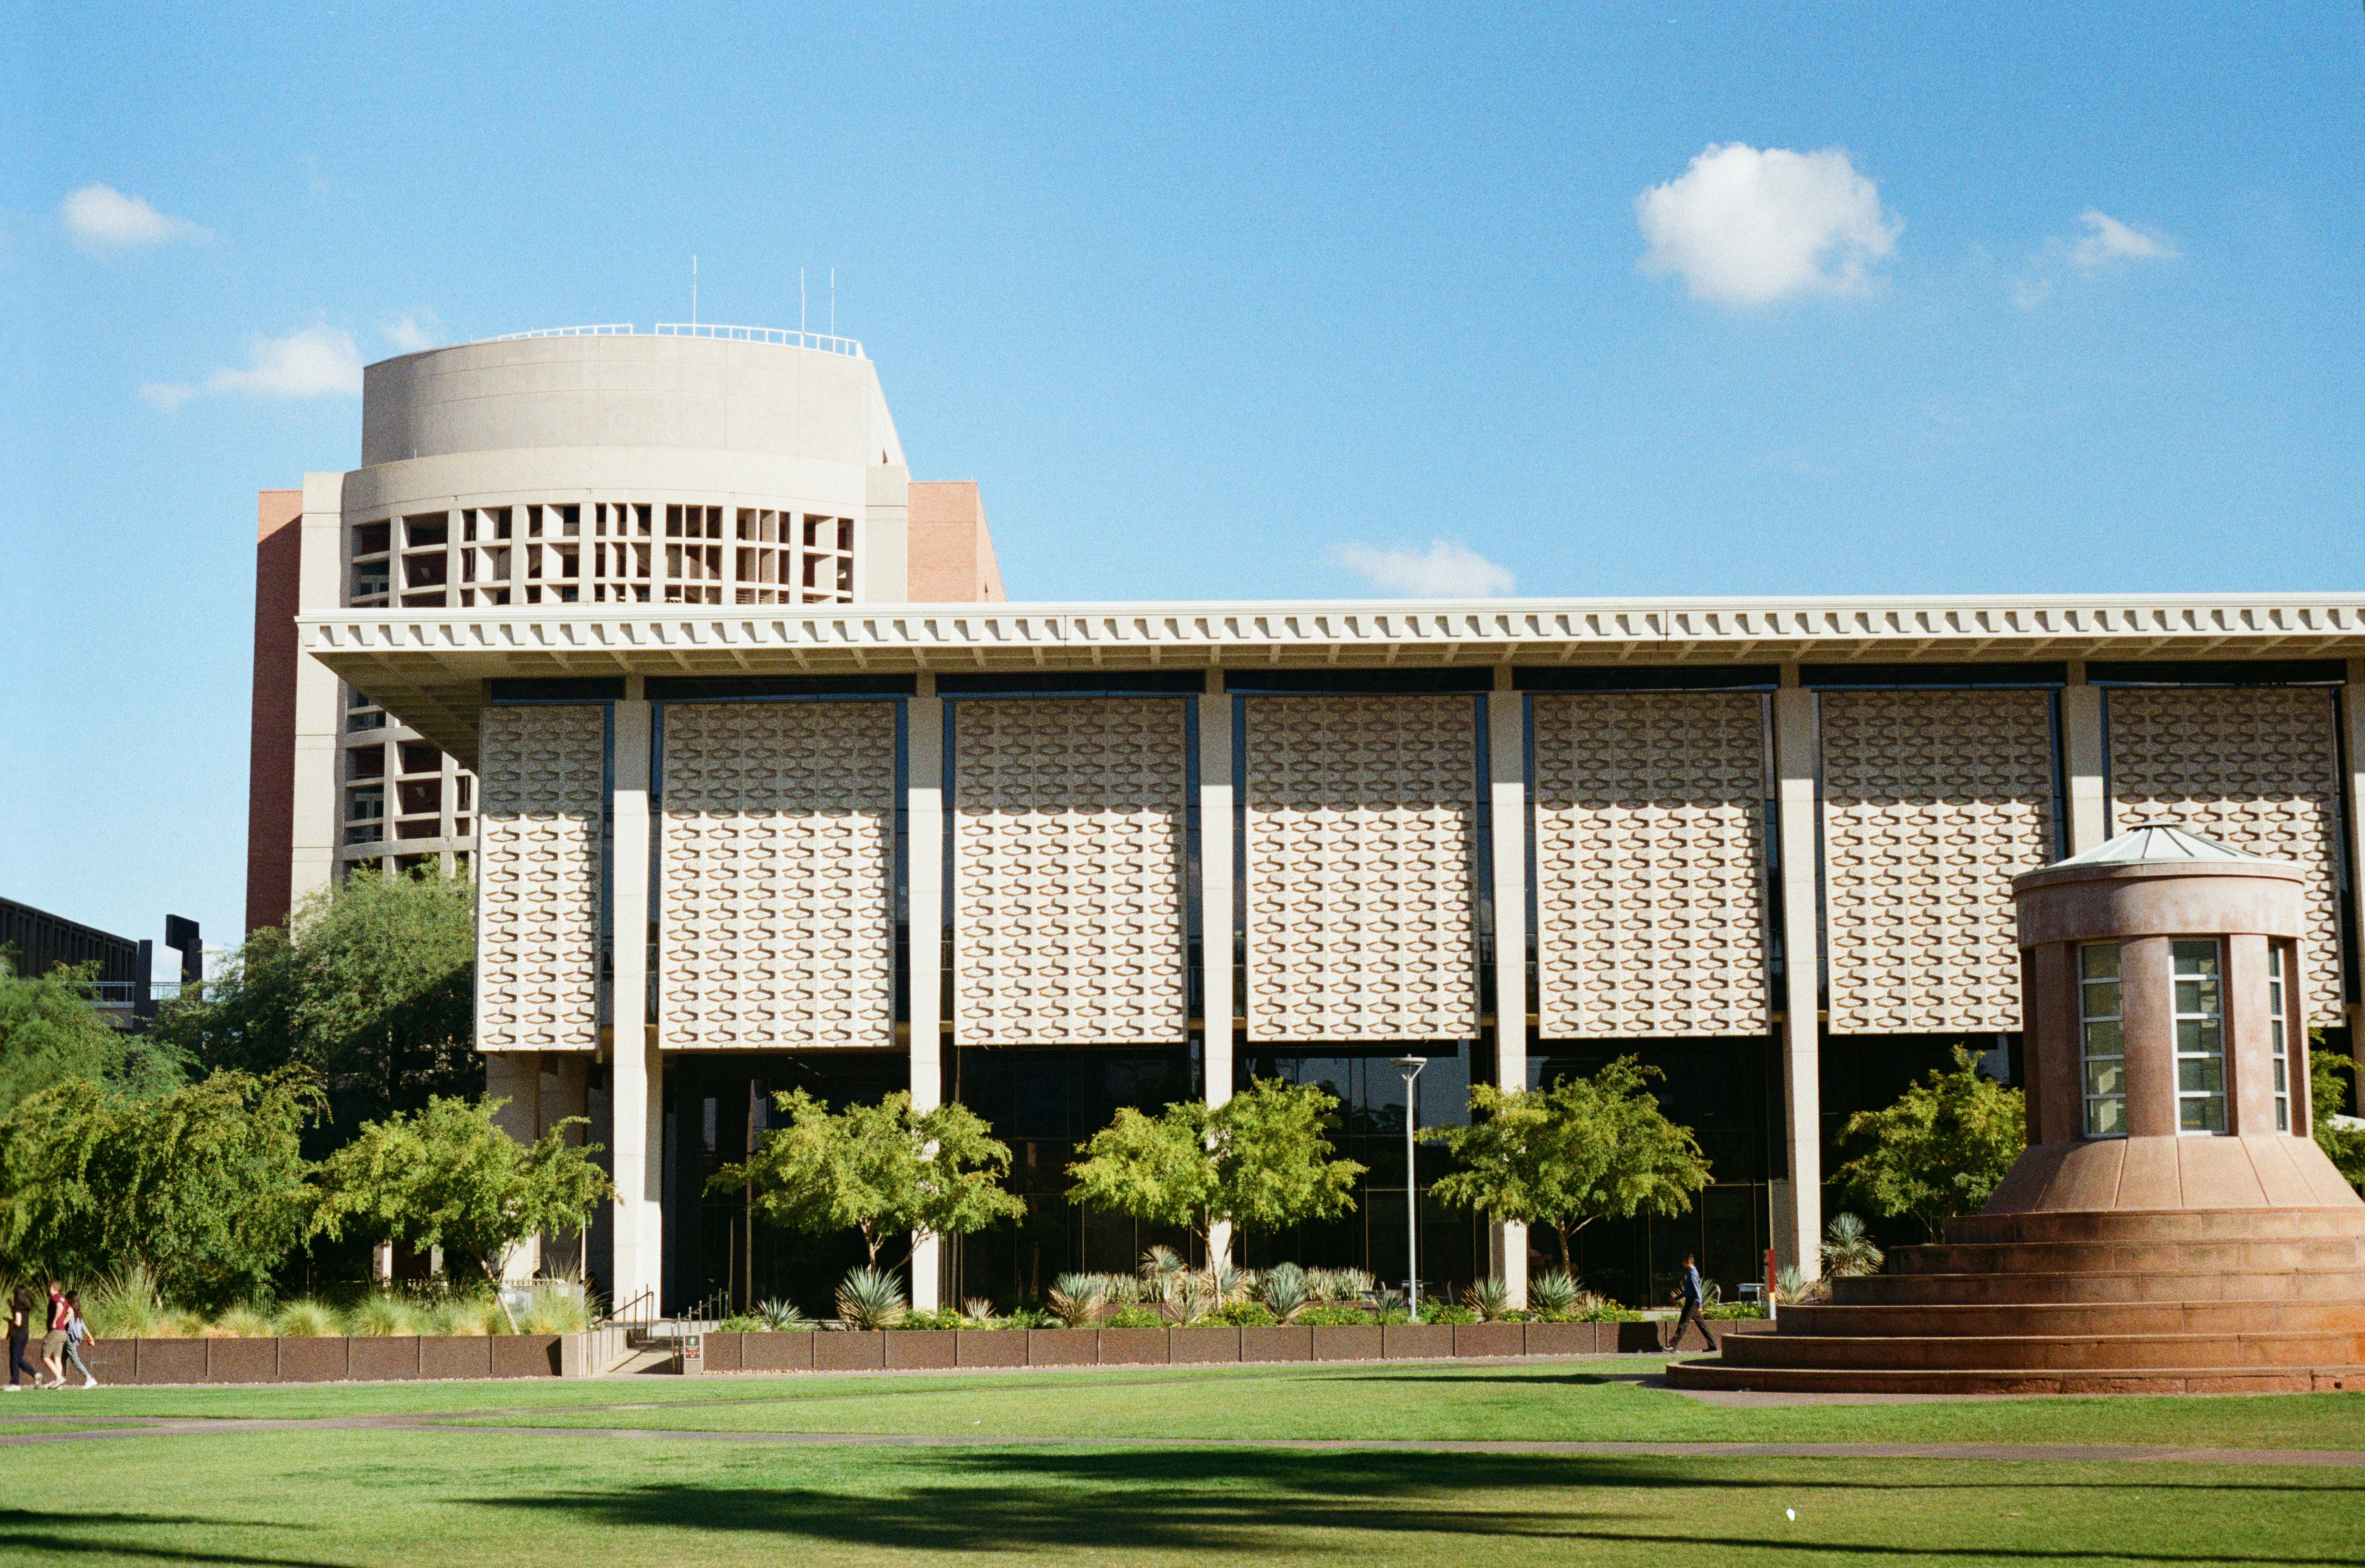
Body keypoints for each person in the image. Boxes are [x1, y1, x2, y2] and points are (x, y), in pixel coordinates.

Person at [1669, 1253, 1712, 1352]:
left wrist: (1699, 1305)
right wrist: (1677, 1298)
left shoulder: (1692, 1274)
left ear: (1688, 1262)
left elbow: (1698, 1290)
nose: (1683, 1264)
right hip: (1691, 1300)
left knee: (1683, 1323)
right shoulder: (1690, 1273)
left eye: (1684, 1262)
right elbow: (1688, 1291)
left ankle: (1673, 1346)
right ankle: (1713, 1346)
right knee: (1702, 1325)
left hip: (1692, 1302)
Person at [38, 1281, 69, 1389]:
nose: (47, 1289)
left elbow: (60, 1307)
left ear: (51, 1288)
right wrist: (64, 1323)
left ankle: (59, 1378)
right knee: (57, 1358)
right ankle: (59, 1383)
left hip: (55, 1332)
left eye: (47, 1287)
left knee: (45, 1356)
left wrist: (55, 1321)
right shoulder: (63, 1298)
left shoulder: (54, 1298)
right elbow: (71, 1311)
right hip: (62, 1333)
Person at [63, 1292, 97, 1389]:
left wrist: (64, 1336)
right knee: (62, 1359)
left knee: (75, 1360)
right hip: (73, 1338)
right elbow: (83, 1325)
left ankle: (89, 1379)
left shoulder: (70, 1311)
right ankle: (59, 1380)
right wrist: (90, 1337)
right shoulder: (77, 1311)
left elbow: (71, 1328)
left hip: (70, 1339)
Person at [4, 1286, 33, 1391]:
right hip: (25, 1334)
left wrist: (9, 1321)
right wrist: (11, 1305)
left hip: (17, 1335)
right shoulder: (26, 1307)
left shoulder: (18, 1307)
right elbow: (20, 1316)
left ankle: (15, 1383)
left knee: (14, 1359)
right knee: (19, 1358)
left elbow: (18, 1322)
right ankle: (35, 1374)